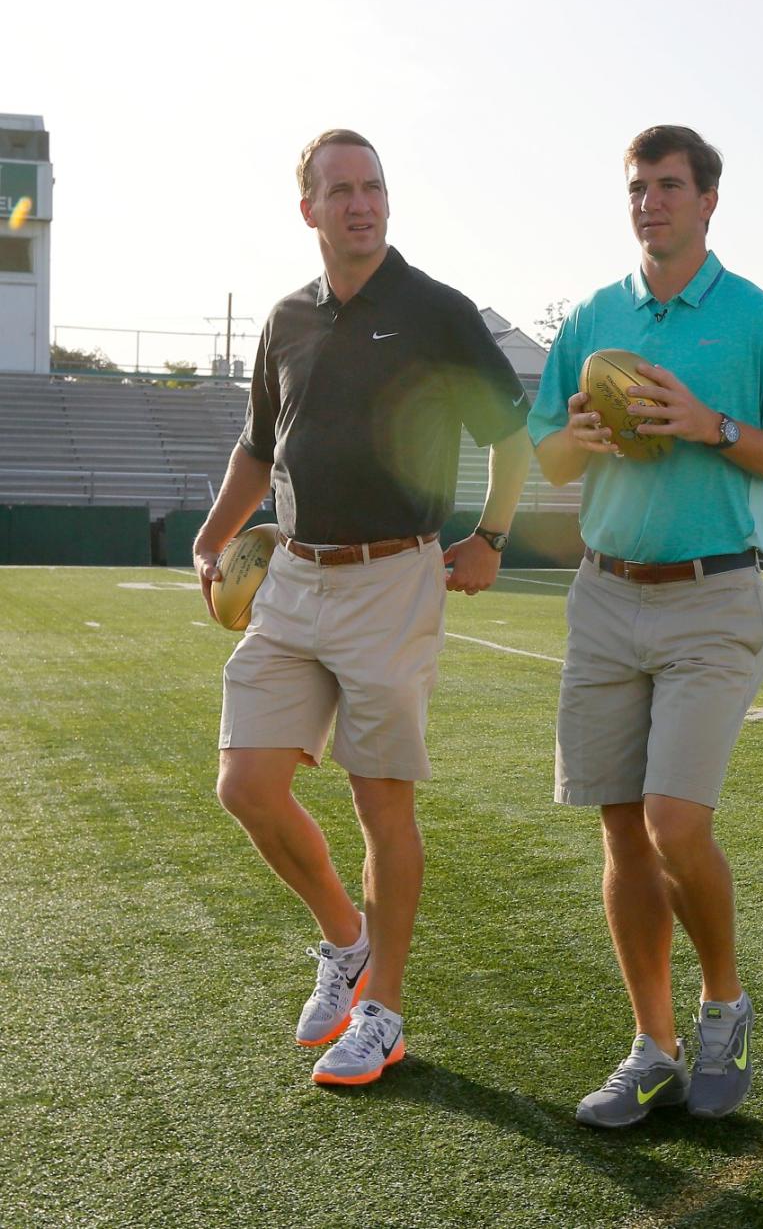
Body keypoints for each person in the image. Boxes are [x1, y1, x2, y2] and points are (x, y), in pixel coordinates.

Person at [193, 129, 531, 1087]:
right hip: (293, 574)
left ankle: (382, 1007)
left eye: (373, 186)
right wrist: (216, 538)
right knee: (245, 784)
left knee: (380, 802)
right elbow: (259, 447)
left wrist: (491, 537)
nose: (360, 203)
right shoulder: (285, 318)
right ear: (308, 209)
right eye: (339, 190)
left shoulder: (437, 310)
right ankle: (345, 943)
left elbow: (511, 437)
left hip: (393, 577)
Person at [527, 125, 763, 1125]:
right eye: (637, 188)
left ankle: (723, 1004)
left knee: (673, 823)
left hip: (713, 595)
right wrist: (574, 435)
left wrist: (711, 426)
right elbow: (547, 459)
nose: (650, 202)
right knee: (620, 828)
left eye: (668, 186)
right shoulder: (593, 319)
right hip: (605, 594)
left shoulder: (760, 320)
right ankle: (650, 1047)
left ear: (707, 201)